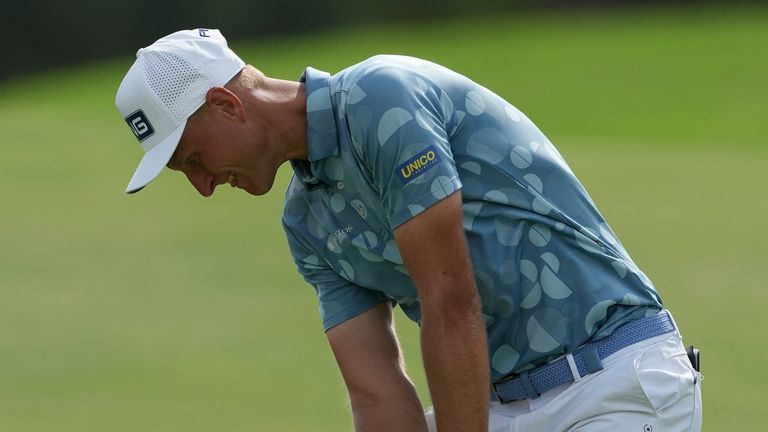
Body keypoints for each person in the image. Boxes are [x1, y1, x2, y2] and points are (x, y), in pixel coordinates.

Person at [115, 28, 702, 432]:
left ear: (226, 104)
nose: (203, 185)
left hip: (613, 380)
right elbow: (377, 394)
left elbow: (451, 300)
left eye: (192, 159)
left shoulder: (379, 98)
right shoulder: (306, 221)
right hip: (496, 406)